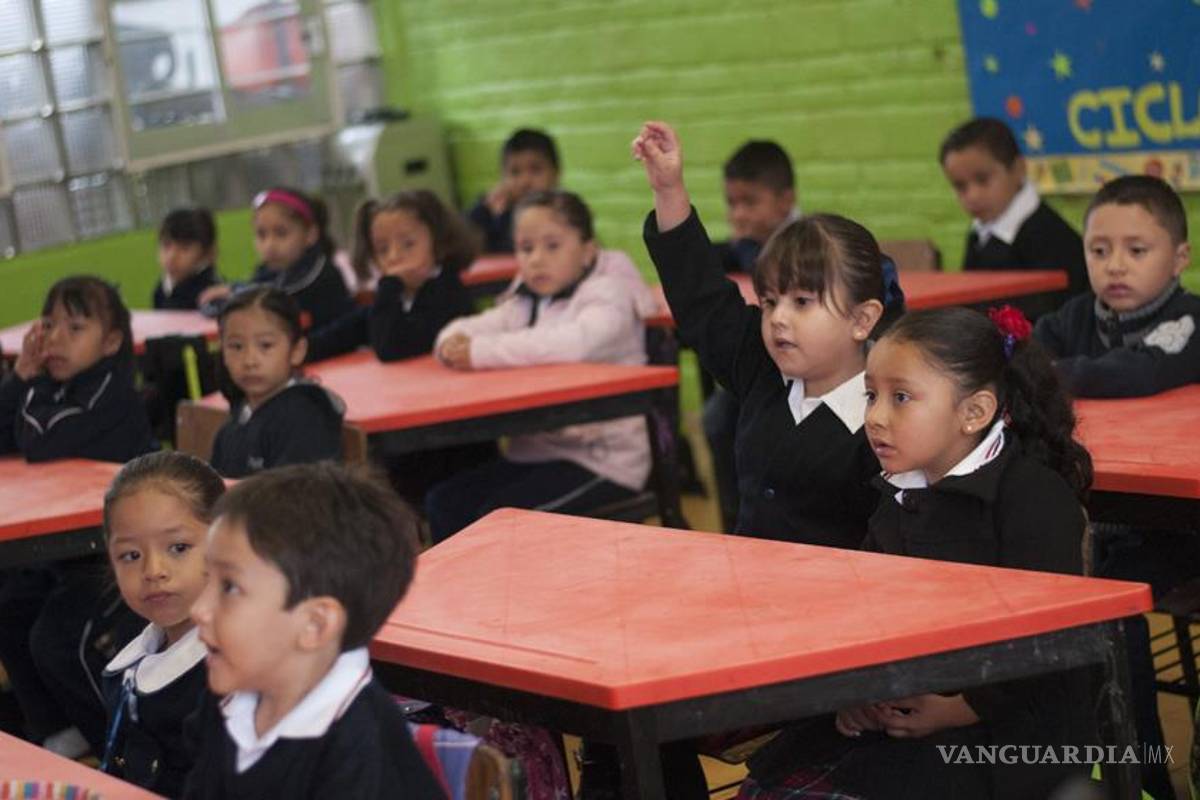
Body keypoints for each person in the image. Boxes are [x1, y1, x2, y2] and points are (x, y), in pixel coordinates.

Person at [741, 306, 1096, 799]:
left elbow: (1054, 652)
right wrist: (858, 695)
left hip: (1009, 736)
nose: (875, 417)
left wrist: (962, 707)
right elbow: (869, 618)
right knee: (767, 787)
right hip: (908, 714)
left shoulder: (1032, 499)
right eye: (871, 396)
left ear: (974, 412)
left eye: (901, 398)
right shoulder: (898, 492)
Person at [1035, 173, 1200, 800]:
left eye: (1137, 249)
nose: (1115, 266)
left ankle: (1145, 776)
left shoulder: (1189, 321)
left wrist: (1056, 373)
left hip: (1174, 531)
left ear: (1179, 258)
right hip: (1096, 521)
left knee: (1111, 609)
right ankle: (1084, 766)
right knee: (1063, 588)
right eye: (1099, 250)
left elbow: (1135, 372)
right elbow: (1022, 358)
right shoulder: (1077, 318)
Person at [183, 463, 443, 798]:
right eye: (208, 579)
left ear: (315, 624)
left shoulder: (363, 754)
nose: (198, 610)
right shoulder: (231, 700)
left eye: (230, 587)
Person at [426, 189, 655, 542]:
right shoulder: (526, 299)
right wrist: (449, 343)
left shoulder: (609, 295)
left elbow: (571, 343)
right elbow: (472, 326)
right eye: (526, 247)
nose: (536, 259)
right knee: (443, 502)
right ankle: (467, 594)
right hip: (536, 452)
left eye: (552, 246)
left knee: (497, 519)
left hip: (604, 460)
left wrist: (480, 351)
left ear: (588, 250)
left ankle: (510, 595)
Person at [0, 277, 152, 759]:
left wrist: (35, 385)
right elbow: (8, 435)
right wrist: (22, 378)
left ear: (109, 342)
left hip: (121, 553)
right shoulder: (59, 386)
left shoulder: (111, 390)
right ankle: (57, 727)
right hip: (70, 550)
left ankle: (123, 748)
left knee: (58, 638)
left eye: (75, 327)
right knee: (11, 607)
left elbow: (42, 437)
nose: (56, 337)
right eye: (49, 325)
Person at [100, 451, 225, 797]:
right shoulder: (129, 661)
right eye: (131, 556)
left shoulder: (232, 679)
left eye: (178, 547)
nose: (153, 570)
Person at [706, 139, 801, 530]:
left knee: (724, 417)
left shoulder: (809, 243)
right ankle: (736, 521)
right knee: (717, 418)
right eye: (731, 203)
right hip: (763, 358)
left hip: (805, 366)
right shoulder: (748, 244)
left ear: (785, 201)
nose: (738, 214)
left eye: (749, 203)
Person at [306, 190, 477, 363]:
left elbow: (391, 347)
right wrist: (299, 350)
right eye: (382, 249)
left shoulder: (449, 294)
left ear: (440, 241)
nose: (393, 256)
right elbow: (346, 332)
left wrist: (389, 285)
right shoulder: (395, 296)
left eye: (408, 244)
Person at [940, 117, 1088, 308]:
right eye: (960, 186)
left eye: (983, 180)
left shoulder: (1052, 238)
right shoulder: (979, 234)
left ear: (1018, 169)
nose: (972, 196)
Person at [211, 287, 344, 478]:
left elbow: (294, 500)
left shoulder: (306, 417)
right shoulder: (234, 423)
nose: (250, 360)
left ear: (297, 350)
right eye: (236, 346)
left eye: (266, 345)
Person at [199, 187, 353, 329]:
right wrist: (232, 292)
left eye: (281, 233)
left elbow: (276, 300)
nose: (269, 245)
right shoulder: (267, 272)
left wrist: (235, 293)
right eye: (261, 235)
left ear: (310, 234)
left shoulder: (320, 274)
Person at [466, 128, 560, 253]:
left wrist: (501, 218)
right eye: (515, 172)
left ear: (556, 173)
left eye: (536, 169)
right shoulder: (495, 209)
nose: (525, 181)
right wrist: (485, 208)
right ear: (503, 177)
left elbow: (519, 252)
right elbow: (461, 242)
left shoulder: (563, 212)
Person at [154, 208, 221, 311]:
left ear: (207, 253)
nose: (172, 256)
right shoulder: (161, 291)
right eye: (166, 245)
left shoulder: (212, 294)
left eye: (184, 248)